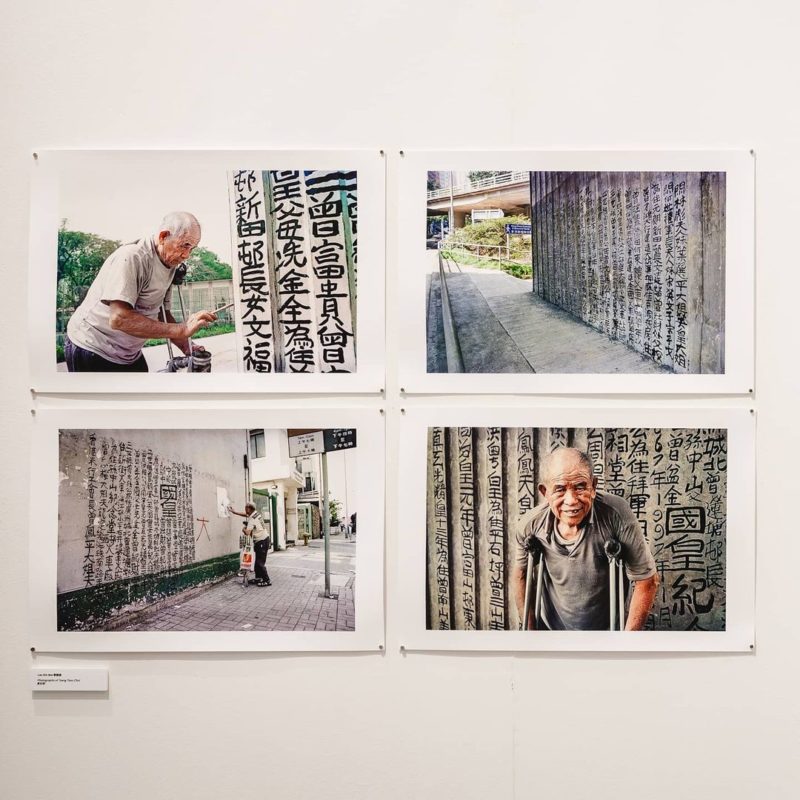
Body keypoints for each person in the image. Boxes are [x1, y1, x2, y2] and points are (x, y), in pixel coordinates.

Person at [511, 447, 659, 631]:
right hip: (552, 632)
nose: (571, 500)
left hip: (607, 632)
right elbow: (521, 575)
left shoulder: (616, 514)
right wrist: (531, 634)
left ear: (594, 487)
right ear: (545, 492)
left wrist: (626, 643)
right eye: (560, 489)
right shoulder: (530, 525)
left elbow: (647, 580)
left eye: (580, 487)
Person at [64, 211, 217, 372]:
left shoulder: (170, 263)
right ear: (163, 236)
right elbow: (119, 318)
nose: (187, 255)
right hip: (92, 346)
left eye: (192, 248)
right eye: (184, 245)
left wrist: (187, 346)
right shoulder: (132, 257)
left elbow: (161, 313)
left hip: (128, 353)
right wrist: (182, 329)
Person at [229, 503, 272, 587]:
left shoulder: (252, 519)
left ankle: (267, 580)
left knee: (260, 563)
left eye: (246, 508)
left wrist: (244, 529)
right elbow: (246, 515)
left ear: (249, 508)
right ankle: (259, 578)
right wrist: (234, 512)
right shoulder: (256, 513)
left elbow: (248, 533)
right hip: (263, 539)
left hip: (262, 541)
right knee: (257, 562)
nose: (245, 510)